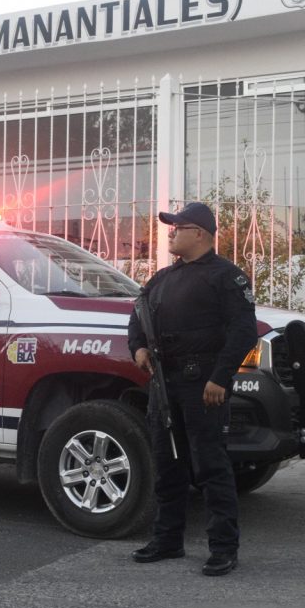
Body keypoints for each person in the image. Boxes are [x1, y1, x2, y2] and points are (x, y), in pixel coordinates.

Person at [127, 202, 258, 576]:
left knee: (211, 467)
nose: (170, 233)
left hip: (203, 385)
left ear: (199, 233)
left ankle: (222, 548)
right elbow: (138, 317)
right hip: (165, 387)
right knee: (167, 465)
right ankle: (168, 540)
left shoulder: (226, 277)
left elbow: (243, 331)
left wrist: (220, 377)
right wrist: (137, 348)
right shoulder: (161, 279)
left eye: (177, 228)